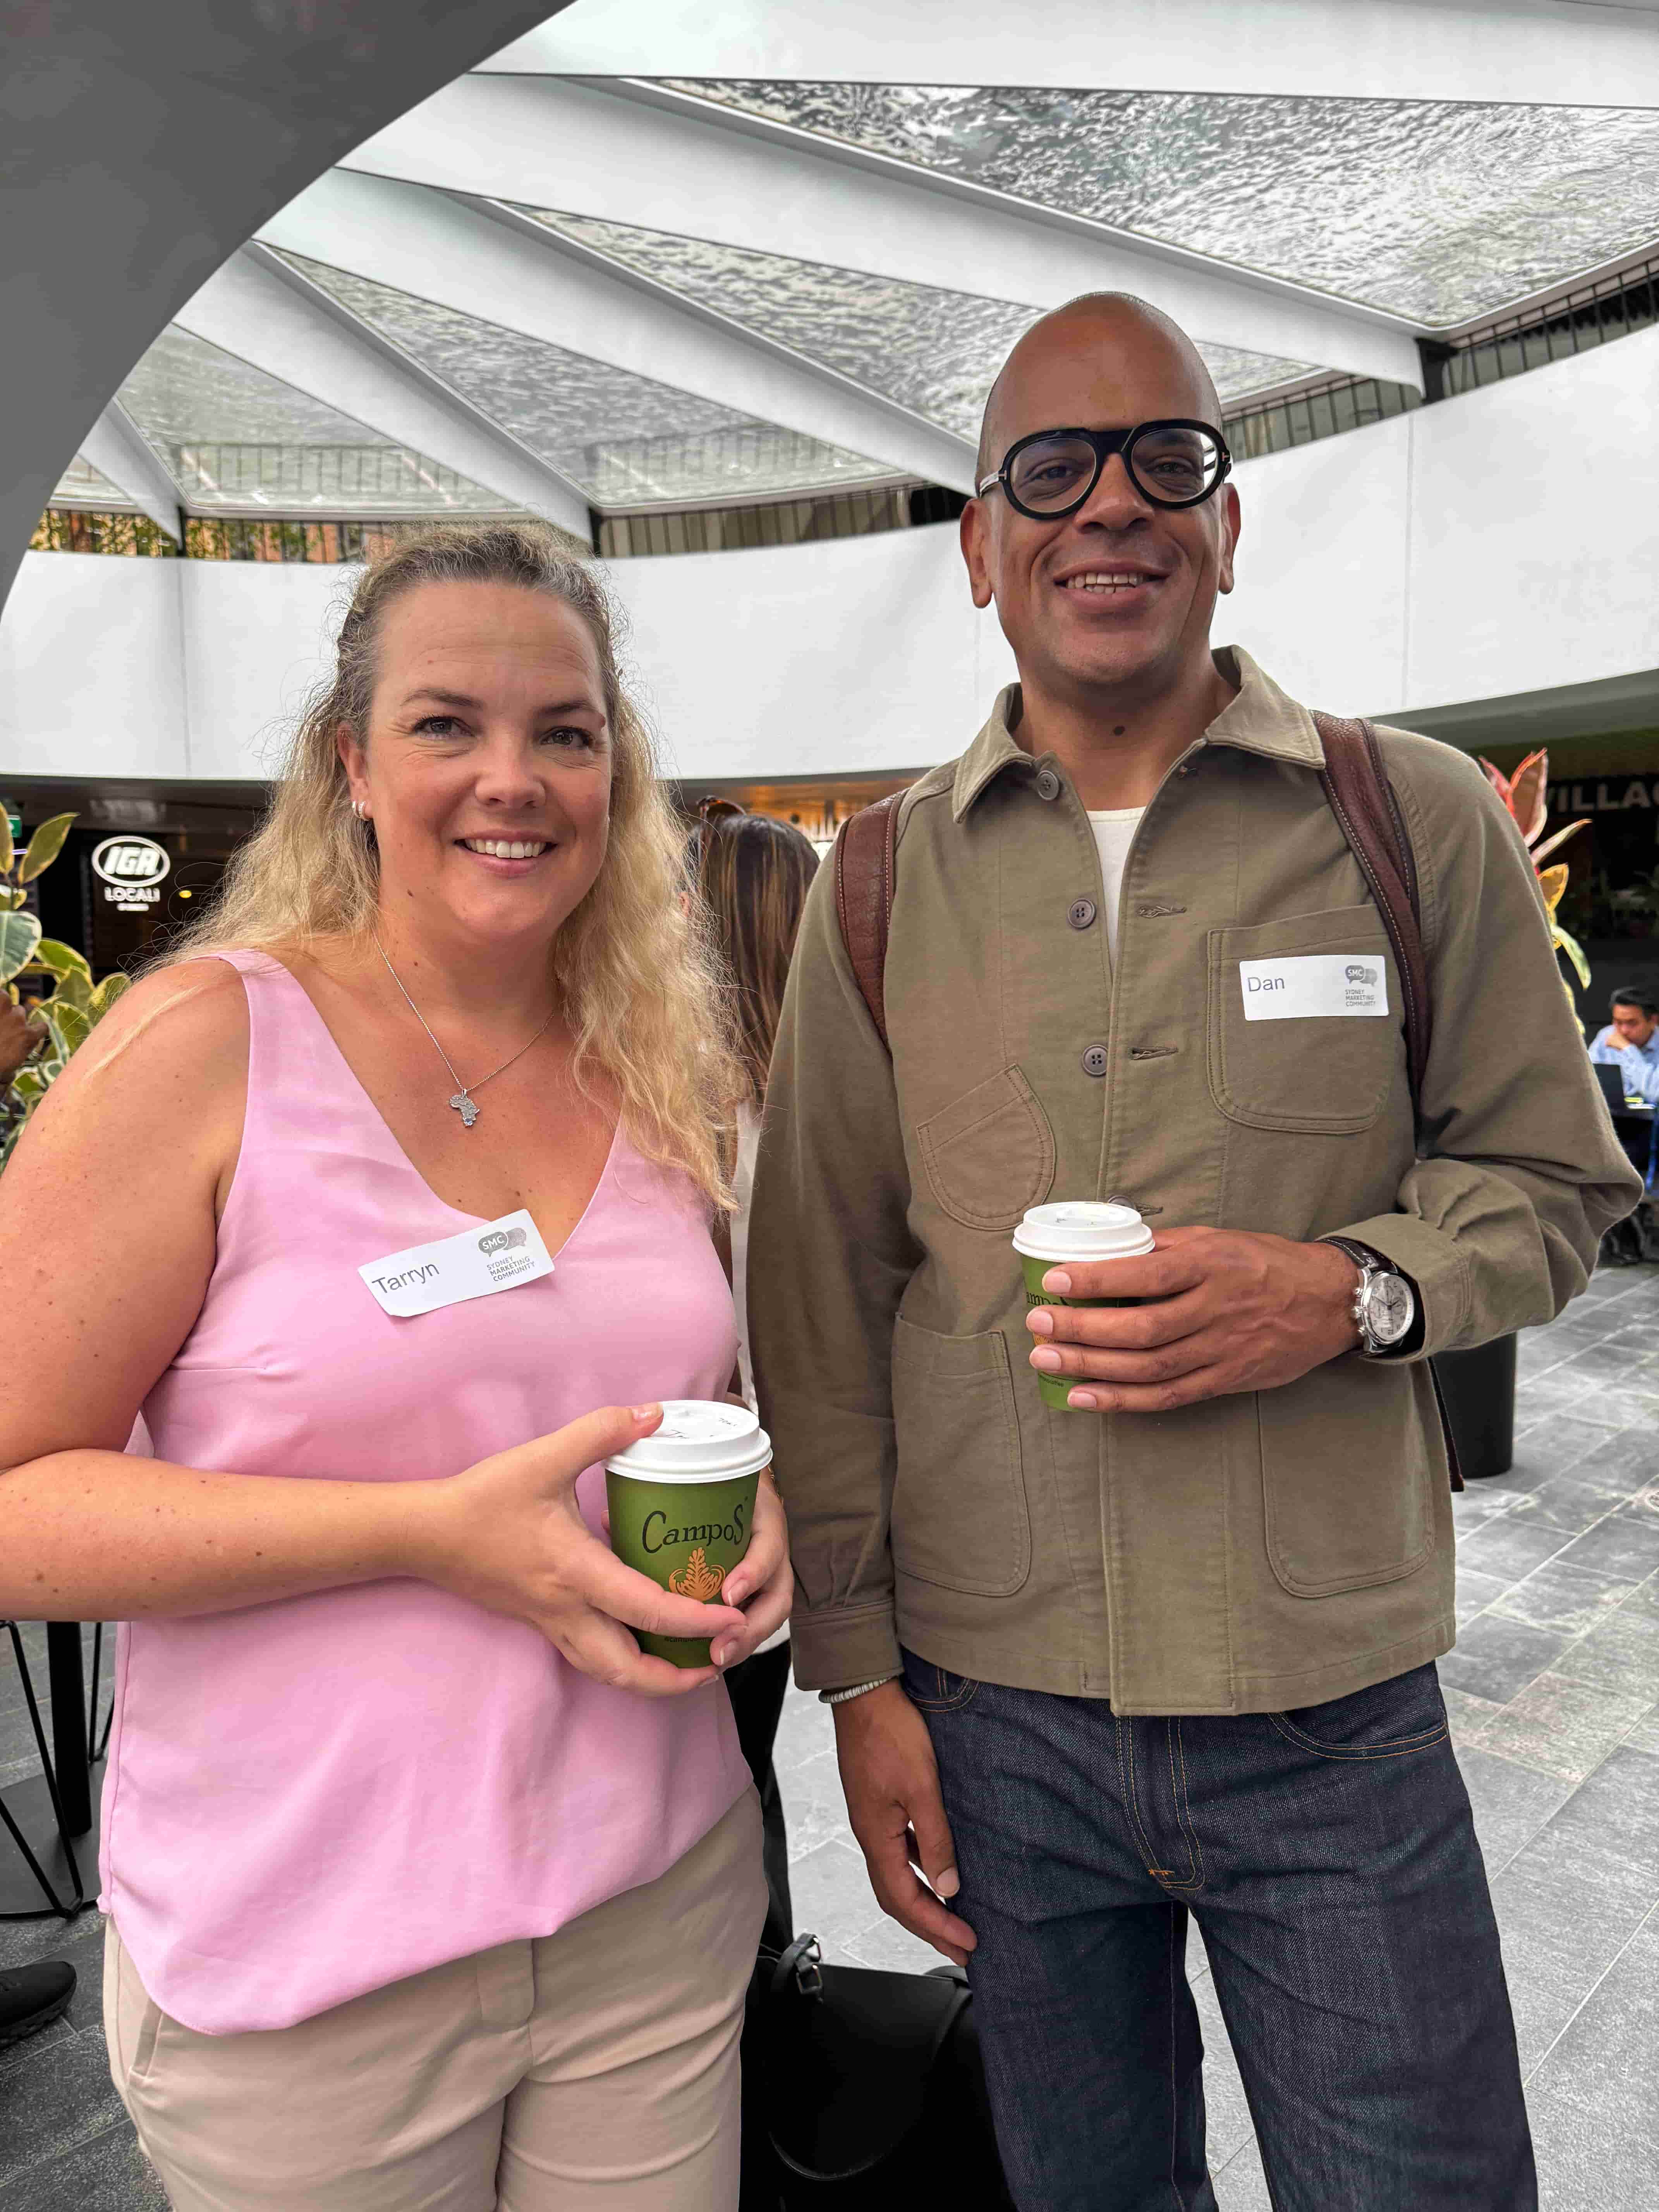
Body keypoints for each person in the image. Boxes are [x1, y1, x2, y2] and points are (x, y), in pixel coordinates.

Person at [748, 294, 1640, 2212]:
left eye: (1170, 456)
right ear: (980, 547)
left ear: (1228, 523)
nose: (1112, 506)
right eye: (1047, 470)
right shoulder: (884, 884)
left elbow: (1553, 1188)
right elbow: (814, 1298)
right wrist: (860, 1675)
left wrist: (1344, 1288)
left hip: (1326, 1713)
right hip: (998, 1721)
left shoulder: (1398, 819)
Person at [0, 523, 793, 2211]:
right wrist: (425, 1528)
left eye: (564, 733)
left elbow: (661, 1404)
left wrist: (758, 1502)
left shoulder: (658, 1070)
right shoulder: (207, 1042)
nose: (511, 777)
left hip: (647, 1914)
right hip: (313, 1966)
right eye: (448, 723)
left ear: (613, 775)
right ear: (347, 763)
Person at [687, 807, 821, 1952]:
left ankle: (753, 2021)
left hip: (707, 1489)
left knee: (711, 1789)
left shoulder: (675, 1113)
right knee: (749, 1775)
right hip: (810, 1473)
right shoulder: (832, 1104)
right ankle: (778, 1996)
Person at [1589, 982, 1659, 1101]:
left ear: (1653, 1021)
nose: (1624, 1030)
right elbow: (1587, 1079)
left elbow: (1654, 1093)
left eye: (1632, 1023)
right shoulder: (1606, 1035)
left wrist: (1628, 1049)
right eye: (1618, 1022)